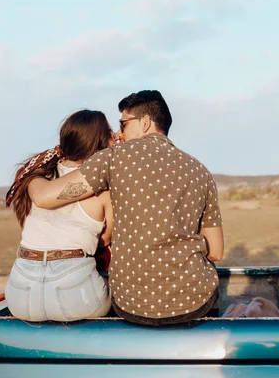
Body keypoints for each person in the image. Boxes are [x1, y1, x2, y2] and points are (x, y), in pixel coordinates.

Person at [29, 90, 224, 326]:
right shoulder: (201, 171)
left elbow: (44, 198)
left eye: (123, 124)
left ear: (145, 123)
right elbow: (216, 252)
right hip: (193, 303)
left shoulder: (112, 158)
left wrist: (32, 177)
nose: (119, 134)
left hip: (130, 305)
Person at [5, 110, 113, 322]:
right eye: (109, 132)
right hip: (75, 292)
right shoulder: (103, 188)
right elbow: (106, 239)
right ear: (98, 143)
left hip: (20, 292)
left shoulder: (37, 178)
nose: (114, 137)